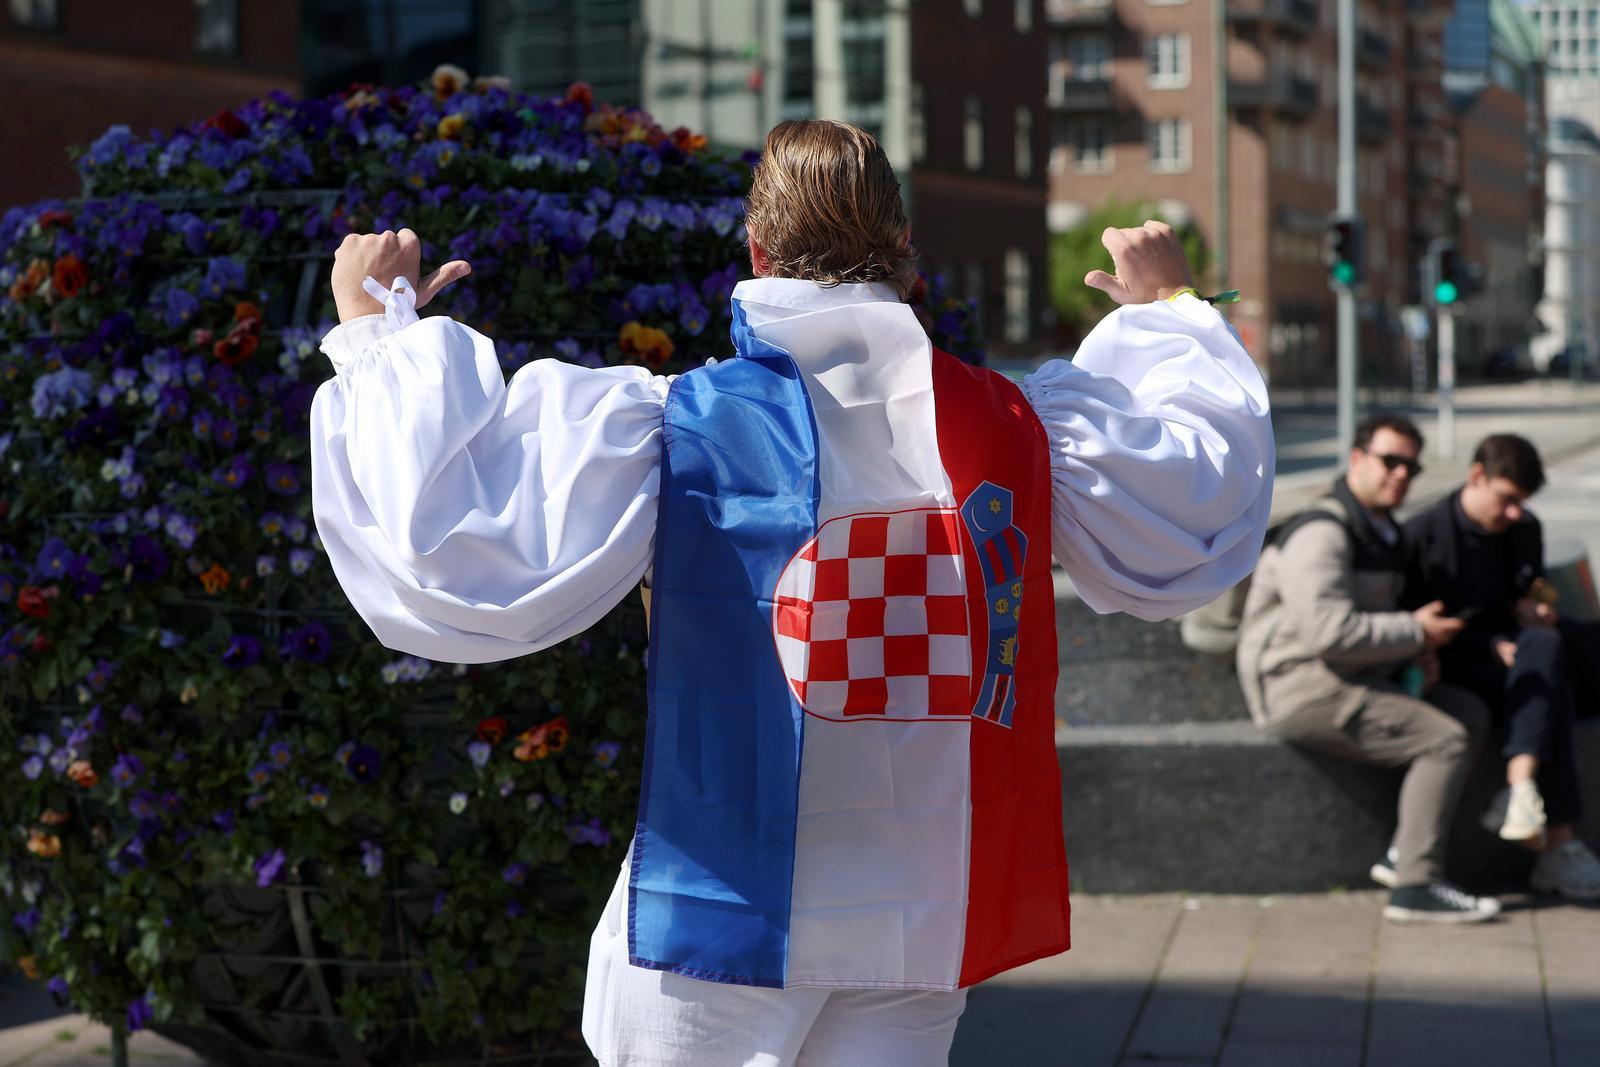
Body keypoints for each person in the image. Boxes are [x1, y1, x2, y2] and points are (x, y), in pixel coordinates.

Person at [308, 119, 1274, 1066]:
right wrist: (1165, 309)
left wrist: (380, 335)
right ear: (904, 251)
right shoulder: (1025, 428)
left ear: (758, 250)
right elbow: (1200, 487)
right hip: (929, 896)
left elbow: (451, 540)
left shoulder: (676, 424)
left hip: (731, 894)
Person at [1236, 412, 1501, 924]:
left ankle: (1404, 850)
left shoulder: (1380, 531)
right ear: (1357, 459)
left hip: (1345, 676)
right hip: (1295, 685)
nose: (1401, 474)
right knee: (1443, 738)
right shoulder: (1324, 533)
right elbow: (1327, 633)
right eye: (1390, 461)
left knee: (1468, 709)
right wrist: (1415, 632)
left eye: (1411, 467)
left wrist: (1411, 654)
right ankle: (1415, 884)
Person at [1401, 433, 1600, 899]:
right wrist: (1490, 644)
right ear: (1476, 476)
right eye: (1507, 499)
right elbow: (1417, 627)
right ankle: (1555, 842)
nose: (1514, 514)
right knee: (1549, 680)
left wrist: (1533, 610)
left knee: (1549, 651)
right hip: (1457, 664)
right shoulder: (1424, 535)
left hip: (1523, 655)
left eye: (1522, 503)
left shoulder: (1524, 529)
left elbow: (1525, 593)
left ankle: (1521, 789)